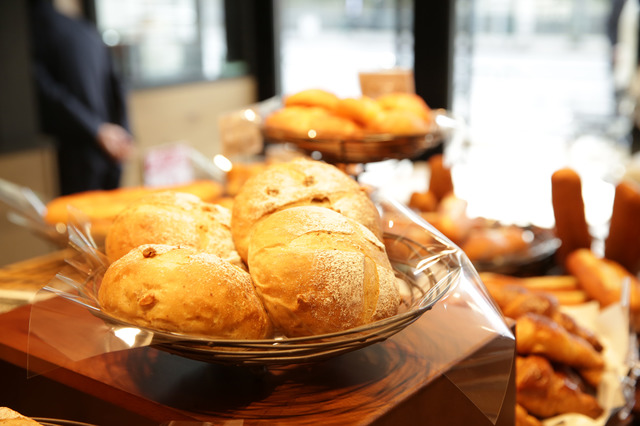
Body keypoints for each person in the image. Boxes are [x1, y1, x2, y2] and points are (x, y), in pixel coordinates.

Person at [28, 0, 134, 195]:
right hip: (109, 147)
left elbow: (46, 91)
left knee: (77, 220)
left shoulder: (32, 32)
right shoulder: (86, 28)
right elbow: (117, 83)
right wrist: (123, 133)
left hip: (76, 150)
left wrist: (98, 131)